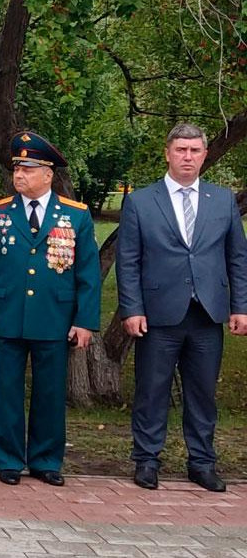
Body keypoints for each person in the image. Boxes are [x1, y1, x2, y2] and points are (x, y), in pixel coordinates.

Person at [116, 123, 247, 493]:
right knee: (151, 390)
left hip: (207, 313)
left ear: (204, 155)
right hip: (158, 314)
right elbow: (128, 261)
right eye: (181, 150)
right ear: (168, 153)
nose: (187, 157)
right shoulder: (141, 201)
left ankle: (202, 463)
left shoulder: (222, 200)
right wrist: (131, 308)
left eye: (194, 150)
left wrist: (241, 306)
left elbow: (237, 258)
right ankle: (146, 460)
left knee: (203, 393)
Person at [0, 131, 100, 487]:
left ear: (48, 174)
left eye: (28, 169)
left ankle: (46, 460)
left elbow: (88, 273)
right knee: (7, 391)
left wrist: (85, 321)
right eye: (17, 169)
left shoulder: (75, 216)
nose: (20, 175)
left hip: (54, 317)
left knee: (50, 393)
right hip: (7, 316)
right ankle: (8, 459)